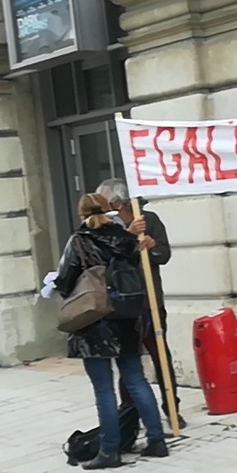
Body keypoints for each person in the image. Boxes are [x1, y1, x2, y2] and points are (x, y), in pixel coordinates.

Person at [54, 193, 170, 469]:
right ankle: (156, 440)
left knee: (104, 390)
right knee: (137, 380)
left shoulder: (79, 241)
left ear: (81, 214)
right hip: (127, 318)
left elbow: (65, 281)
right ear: (109, 211)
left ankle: (109, 451)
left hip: (93, 321)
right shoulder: (127, 238)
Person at [96, 179, 186, 430]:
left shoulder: (150, 220)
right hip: (122, 306)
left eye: (105, 203)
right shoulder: (106, 227)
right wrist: (129, 236)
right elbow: (106, 261)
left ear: (117, 202)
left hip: (149, 301)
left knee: (160, 356)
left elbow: (164, 255)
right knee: (129, 362)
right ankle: (129, 415)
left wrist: (152, 246)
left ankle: (172, 408)